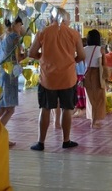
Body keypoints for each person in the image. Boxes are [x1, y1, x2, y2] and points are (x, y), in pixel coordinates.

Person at [29, 8, 85, 151]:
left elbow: (32, 53)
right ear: (66, 19)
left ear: (51, 18)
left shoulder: (42, 32)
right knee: (67, 109)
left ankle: (41, 142)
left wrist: (44, 57)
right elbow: (82, 56)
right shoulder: (74, 33)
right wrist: (71, 60)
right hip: (67, 77)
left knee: (45, 109)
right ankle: (66, 141)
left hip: (48, 78)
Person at [0, 16, 25, 147]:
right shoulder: (14, 37)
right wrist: (27, 54)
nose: (21, 28)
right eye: (20, 25)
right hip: (10, 75)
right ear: (15, 24)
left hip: (0, 74)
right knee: (10, 109)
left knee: (2, 108)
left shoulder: (0, 38)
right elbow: (18, 58)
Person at [84, 29, 107, 128]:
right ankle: (94, 121)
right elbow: (104, 64)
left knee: (90, 98)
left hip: (87, 74)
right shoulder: (100, 49)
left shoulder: (84, 49)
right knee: (99, 98)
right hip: (97, 74)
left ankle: (92, 119)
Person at [73, 38, 87, 118]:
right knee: (80, 93)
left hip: (79, 76)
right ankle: (79, 108)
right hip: (80, 76)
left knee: (80, 92)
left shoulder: (78, 54)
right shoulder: (83, 54)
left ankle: (81, 109)